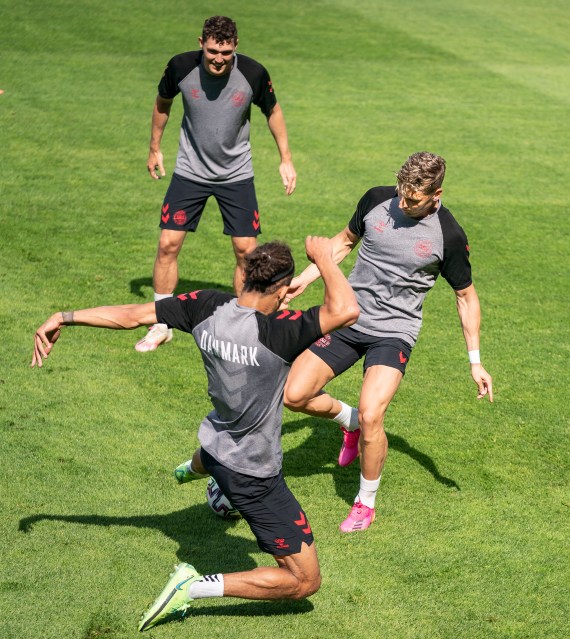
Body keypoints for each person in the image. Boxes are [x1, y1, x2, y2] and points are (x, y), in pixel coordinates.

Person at [32, 237, 359, 631]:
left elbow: (133, 315)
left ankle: (193, 469)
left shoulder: (206, 306)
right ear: (283, 288)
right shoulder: (279, 333)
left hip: (216, 443)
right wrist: (324, 258)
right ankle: (191, 587)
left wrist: (63, 316)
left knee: (215, 458)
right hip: (253, 472)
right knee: (305, 581)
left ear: (244, 276)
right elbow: (346, 309)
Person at [283, 151, 494, 533]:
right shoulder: (376, 199)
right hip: (348, 315)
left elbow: (466, 296)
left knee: (373, 413)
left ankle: (365, 502)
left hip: (394, 331)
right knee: (294, 395)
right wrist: (306, 277)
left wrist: (475, 360)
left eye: (413, 200)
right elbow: (344, 242)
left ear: (436, 193)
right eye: (401, 193)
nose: (403, 203)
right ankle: (348, 423)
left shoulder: (448, 235)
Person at [137, 15, 298, 353]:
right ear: (201, 44)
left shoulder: (252, 73)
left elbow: (274, 112)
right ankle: (161, 323)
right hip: (189, 171)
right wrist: (154, 148)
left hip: (236, 175)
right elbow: (162, 103)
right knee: (168, 243)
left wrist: (285, 158)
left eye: (225, 53)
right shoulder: (180, 67)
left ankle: (244, 325)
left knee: (246, 252)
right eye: (212, 51)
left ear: (235, 47)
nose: (218, 59)